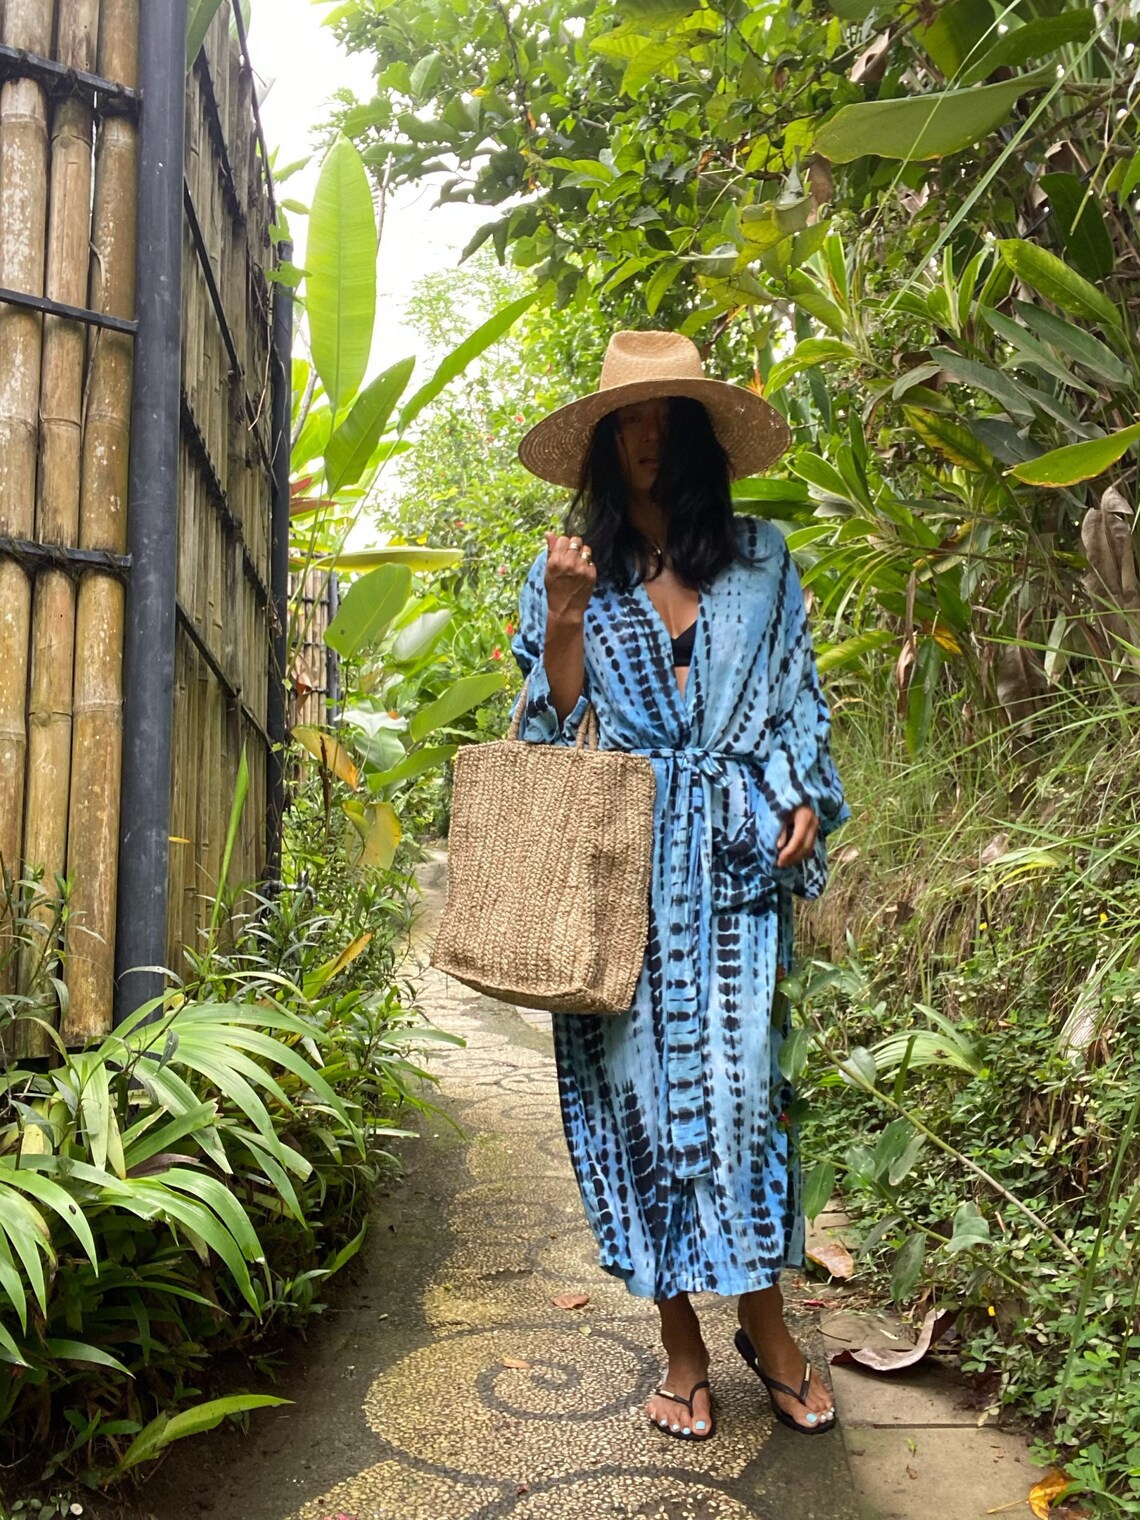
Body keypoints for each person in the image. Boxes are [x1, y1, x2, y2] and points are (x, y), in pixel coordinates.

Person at [509, 330, 850, 1442]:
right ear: (606, 442)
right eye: (629, 420)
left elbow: (799, 696)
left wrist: (798, 785)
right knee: (638, 1106)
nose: (649, 437)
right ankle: (682, 1342)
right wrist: (564, 620)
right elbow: (548, 736)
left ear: (698, 434)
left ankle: (768, 1321)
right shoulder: (571, 566)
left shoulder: (762, 557)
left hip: (742, 859)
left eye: (668, 417)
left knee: (748, 1097)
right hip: (620, 873)